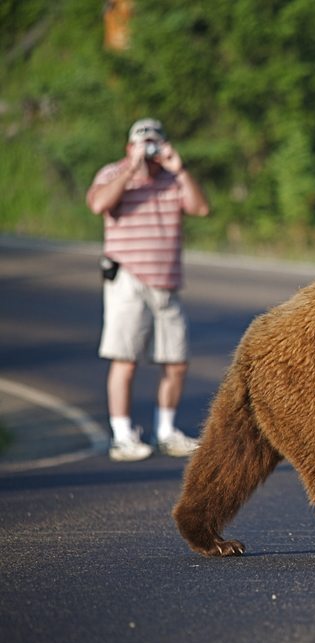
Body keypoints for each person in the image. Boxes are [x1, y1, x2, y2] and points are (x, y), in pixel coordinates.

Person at [86, 118, 210, 461]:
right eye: (143, 143)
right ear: (129, 147)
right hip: (128, 279)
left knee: (177, 361)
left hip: (167, 283)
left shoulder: (172, 178)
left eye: (155, 142)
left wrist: (180, 169)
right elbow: (98, 205)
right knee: (125, 360)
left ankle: (166, 430)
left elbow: (201, 208)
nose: (150, 149)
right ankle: (122, 435)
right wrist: (131, 170)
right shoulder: (112, 173)